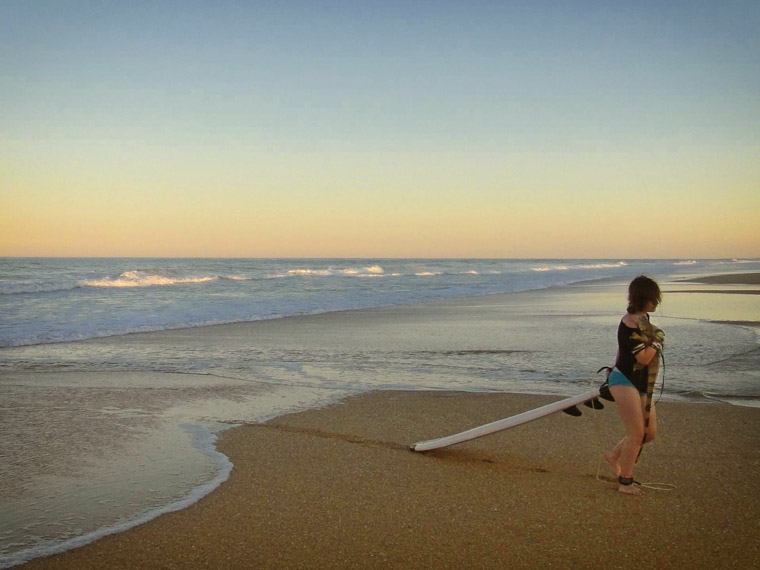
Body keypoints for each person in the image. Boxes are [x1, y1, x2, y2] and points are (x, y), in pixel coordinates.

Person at [603, 275, 664, 496]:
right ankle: (625, 482)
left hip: (641, 384)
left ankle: (613, 454)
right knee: (637, 433)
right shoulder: (630, 323)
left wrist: (655, 337)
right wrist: (658, 341)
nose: (656, 303)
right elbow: (643, 359)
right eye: (652, 299)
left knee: (650, 433)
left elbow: (620, 351)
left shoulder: (644, 320)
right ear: (641, 299)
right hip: (624, 380)